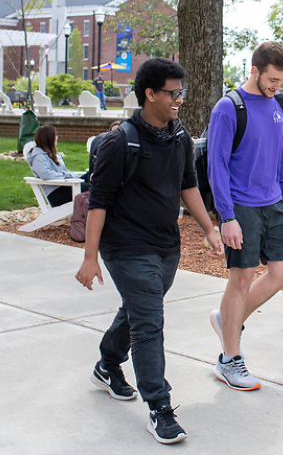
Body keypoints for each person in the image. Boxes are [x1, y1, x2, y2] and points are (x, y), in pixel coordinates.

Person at [75, 58, 223, 444]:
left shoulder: (178, 135)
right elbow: (98, 202)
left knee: (138, 311)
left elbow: (188, 184)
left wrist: (210, 229)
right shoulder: (119, 142)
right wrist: (90, 257)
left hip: (165, 246)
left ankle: (107, 364)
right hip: (125, 246)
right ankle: (159, 408)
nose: (179, 100)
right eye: (173, 93)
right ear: (150, 94)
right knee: (149, 324)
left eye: (181, 92)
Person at [207, 41, 283, 391]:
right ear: (255, 70)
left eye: (281, 80)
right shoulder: (228, 109)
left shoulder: (280, 102)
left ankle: (226, 318)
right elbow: (217, 166)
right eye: (272, 79)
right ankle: (230, 359)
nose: (276, 86)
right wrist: (226, 216)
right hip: (240, 205)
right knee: (241, 278)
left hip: (273, 201)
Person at [26, 125, 89, 207]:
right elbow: (46, 174)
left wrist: (70, 176)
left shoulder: (52, 153)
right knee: (94, 187)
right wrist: (66, 176)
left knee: (93, 175)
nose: (57, 138)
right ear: (49, 138)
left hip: (67, 185)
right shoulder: (38, 157)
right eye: (55, 136)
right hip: (57, 193)